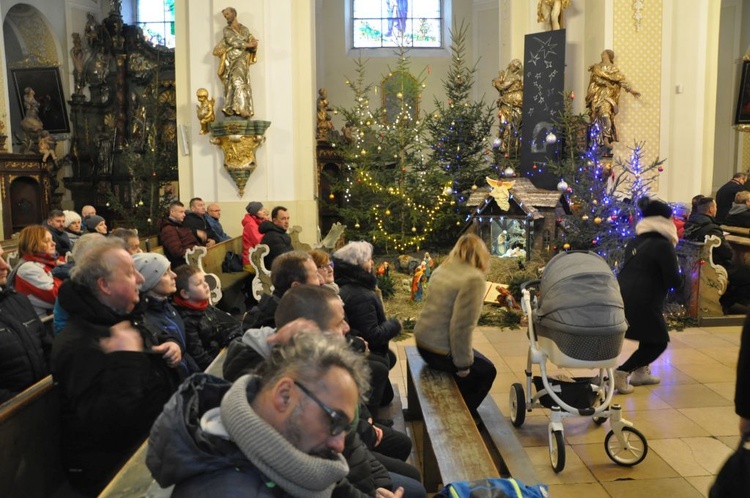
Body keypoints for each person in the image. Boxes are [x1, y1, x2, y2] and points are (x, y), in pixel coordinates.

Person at [146, 333, 386, 498]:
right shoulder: (228, 490)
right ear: (284, 396)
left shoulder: (283, 457)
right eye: (334, 421)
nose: (339, 443)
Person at [51, 238, 181, 494]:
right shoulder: (79, 344)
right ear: (105, 285)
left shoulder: (118, 318)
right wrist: (127, 359)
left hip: (152, 446)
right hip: (115, 471)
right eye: (131, 273)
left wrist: (165, 347)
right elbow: (108, 427)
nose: (141, 280)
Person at [414, 234, 497, 418]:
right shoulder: (473, 279)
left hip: (422, 342)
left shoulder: (443, 269)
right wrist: (463, 365)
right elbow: (461, 327)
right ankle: (461, 417)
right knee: (487, 371)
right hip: (439, 351)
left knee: (476, 362)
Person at [612, 198, 682, 394]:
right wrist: (682, 282)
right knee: (658, 342)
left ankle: (641, 372)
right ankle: (622, 372)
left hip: (625, 294)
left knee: (648, 335)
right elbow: (672, 280)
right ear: (664, 220)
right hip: (645, 299)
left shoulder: (636, 240)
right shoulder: (663, 245)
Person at [133, 252, 200, 376]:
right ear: (149, 281)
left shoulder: (167, 306)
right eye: (165, 273)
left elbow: (184, 351)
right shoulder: (146, 319)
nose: (174, 275)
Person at [0, 243, 50, 403]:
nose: (5, 265)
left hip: (43, 397)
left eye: (1, 257)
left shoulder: (17, 299)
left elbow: (47, 345)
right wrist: (22, 407)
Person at [684, 196, 750, 313]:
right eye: (715, 207)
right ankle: (725, 302)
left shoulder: (690, 225)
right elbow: (727, 253)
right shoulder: (711, 229)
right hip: (712, 266)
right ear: (710, 210)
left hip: (693, 265)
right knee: (746, 275)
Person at [173, 265, 242, 367]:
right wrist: (221, 366)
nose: (206, 285)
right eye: (198, 284)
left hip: (220, 352)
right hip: (212, 364)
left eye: (204, 280)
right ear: (185, 294)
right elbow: (199, 357)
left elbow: (219, 330)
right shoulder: (187, 320)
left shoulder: (203, 305)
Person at [243, 250, 321, 329]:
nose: (321, 280)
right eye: (316, 276)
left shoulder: (290, 308)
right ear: (296, 287)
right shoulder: (282, 324)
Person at [585, 49, 641, 151]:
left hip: (608, 96)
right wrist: (604, 82)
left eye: (604, 53)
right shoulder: (597, 67)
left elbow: (621, 82)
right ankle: (597, 139)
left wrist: (632, 91)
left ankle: (606, 138)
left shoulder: (614, 69)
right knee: (595, 117)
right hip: (597, 95)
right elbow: (595, 79)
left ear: (608, 56)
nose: (601, 55)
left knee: (606, 115)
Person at [213, 7, 258, 118]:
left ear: (234, 13)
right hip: (231, 59)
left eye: (228, 14)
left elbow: (250, 42)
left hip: (242, 59)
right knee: (233, 81)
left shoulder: (245, 29)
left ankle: (241, 107)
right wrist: (247, 45)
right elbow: (232, 41)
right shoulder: (227, 30)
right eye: (225, 15)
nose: (226, 17)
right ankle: (234, 107)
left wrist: (253, 45)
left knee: (239, 80)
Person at [12, 225, 63, 317]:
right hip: (43, 324)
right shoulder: (28, 268)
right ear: (32, 244)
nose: (53, 243)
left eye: (52, 240)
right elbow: (58, 296)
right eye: (47, 241)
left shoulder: (46, 263)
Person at [492, 59, 524, 156]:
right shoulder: (507, 76)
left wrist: (496, 82)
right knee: (504, 125)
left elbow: (502, 87)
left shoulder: (514, 77)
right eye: (514, 66)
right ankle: (504, 147)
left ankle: (510, 149)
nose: (515, 68)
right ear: (510, 65)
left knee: (512, 126)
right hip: (507, 103)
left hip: (514, 103)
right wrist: (499, 79)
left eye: (517, 67)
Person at [158, 200, 201, 269]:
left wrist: (199, 249)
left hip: (192, 259)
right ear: (172, 212)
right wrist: (195, 251)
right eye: (181, 212)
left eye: (184, 212)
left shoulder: (181, 225)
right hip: (183, 265)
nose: (184, 214)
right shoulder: (168, 229)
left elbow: (194, 242)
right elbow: (177, 252)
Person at [242, 201, 267, 269]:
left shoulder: (258, 221)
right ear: (255, 212)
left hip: (257, 256)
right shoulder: (250, 225)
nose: (264, 211)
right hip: (251, 260)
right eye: (261, 210)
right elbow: (259, 242)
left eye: (263, 209)